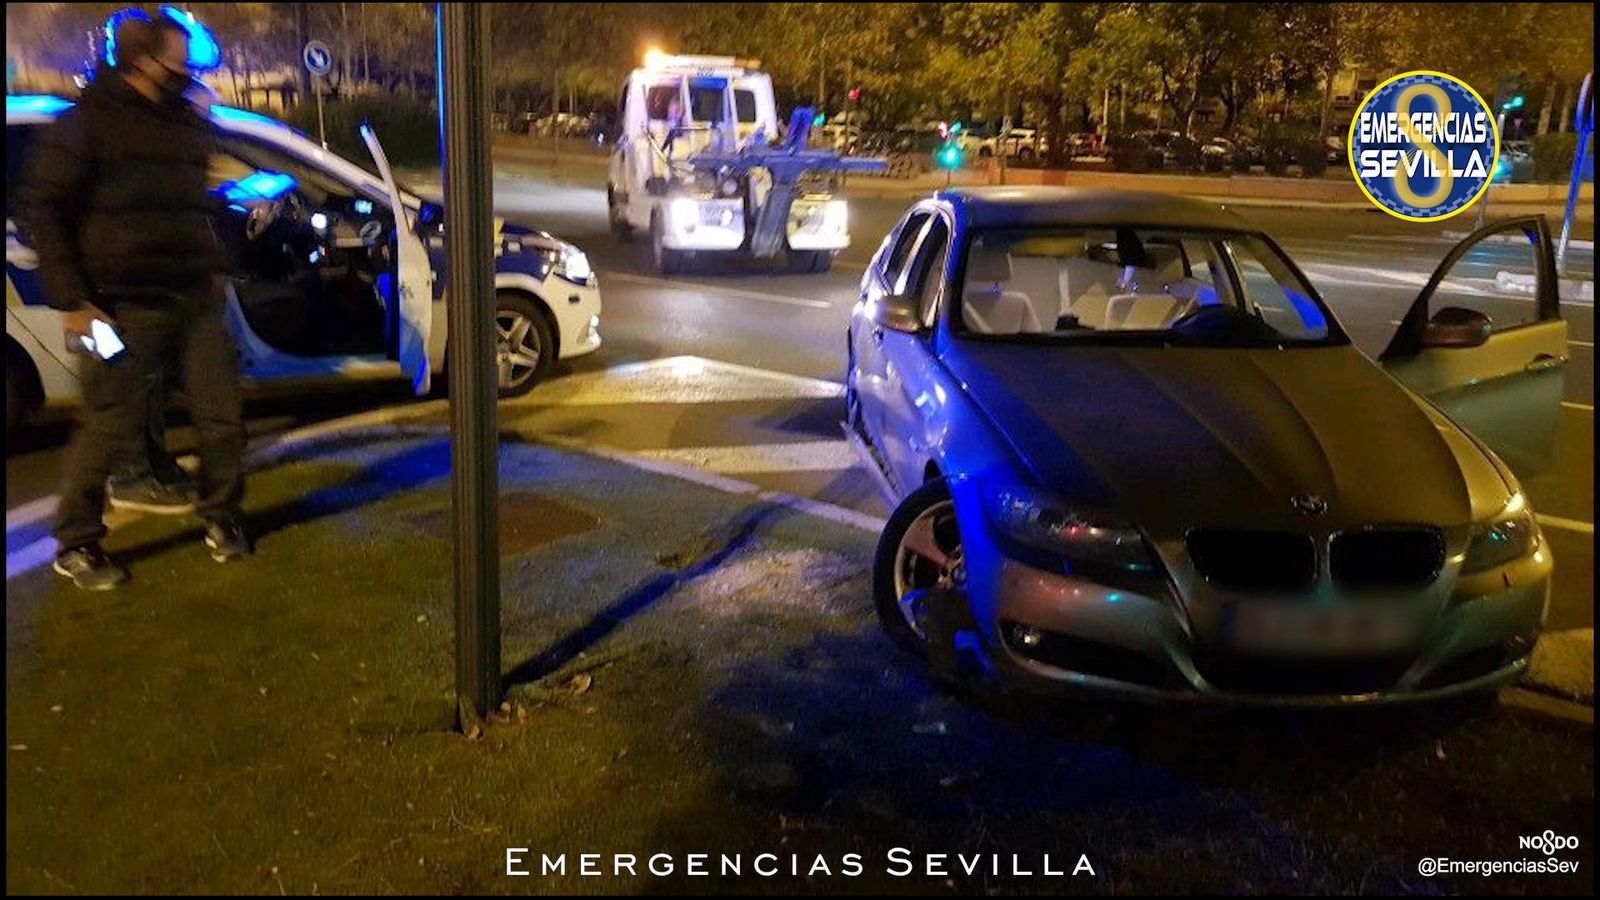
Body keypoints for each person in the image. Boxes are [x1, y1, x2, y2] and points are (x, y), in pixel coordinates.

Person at [16, 12, 251, 590]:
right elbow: (40, 209)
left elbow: (190, 199)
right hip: (110, 306)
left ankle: (222, 516)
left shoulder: (182, 121)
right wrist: (73, 300)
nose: (188, 72)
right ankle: (76, 544)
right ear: (145, 62)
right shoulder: (85, 125)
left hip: (193, 298)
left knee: (222, 417)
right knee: (106, 424)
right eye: (180, 62)